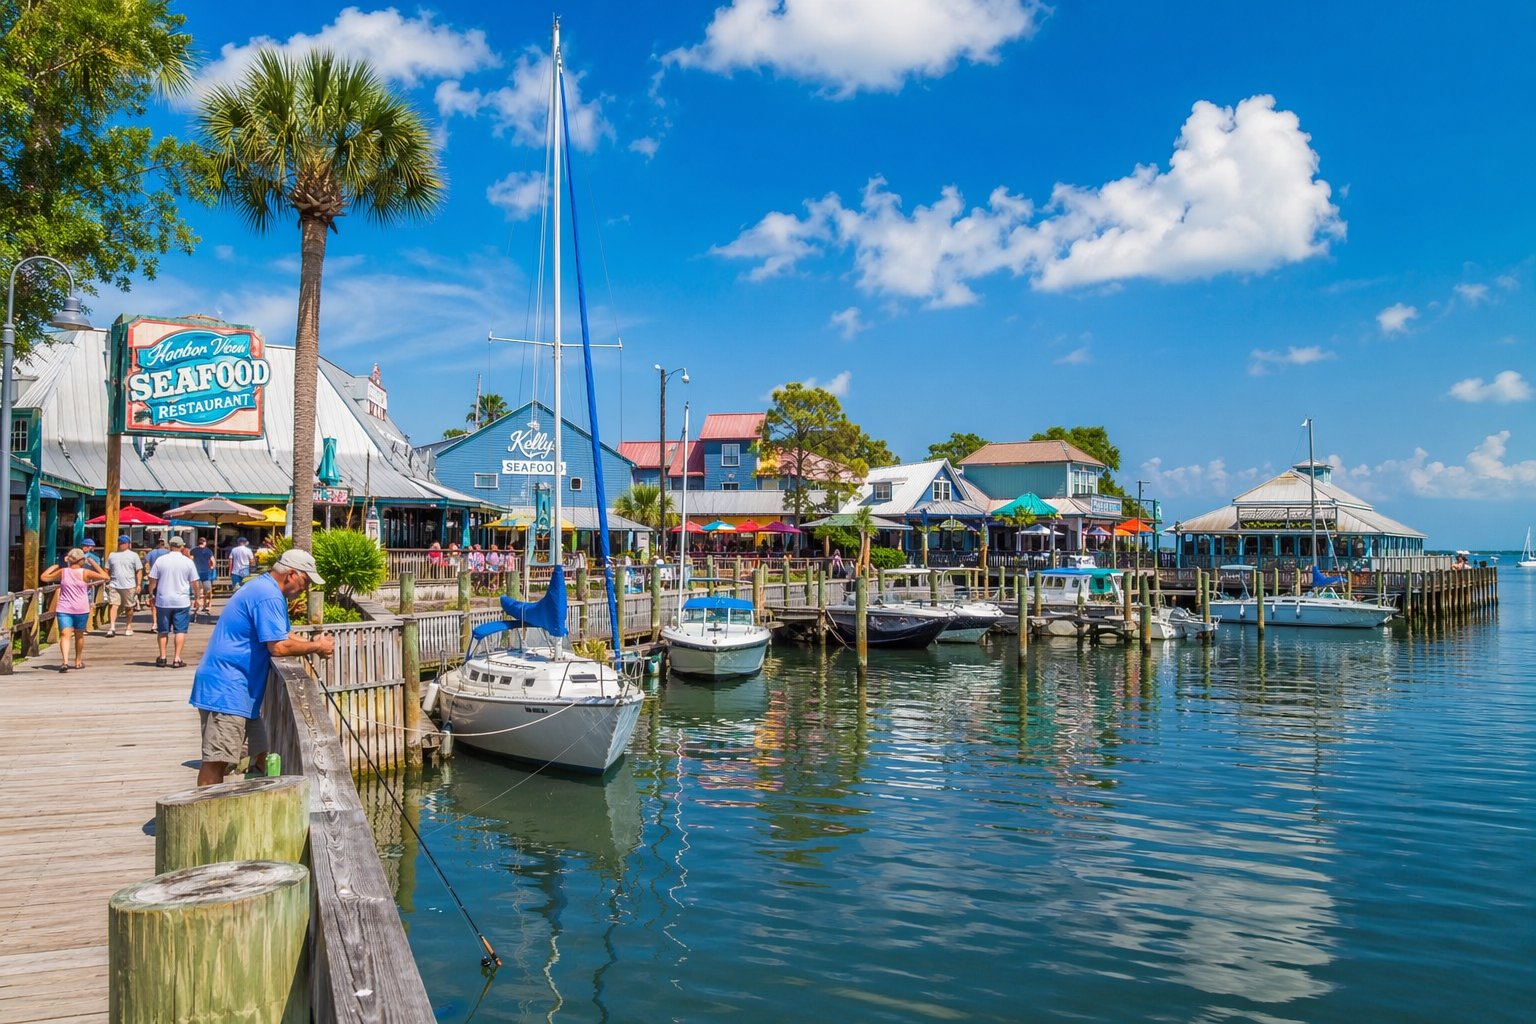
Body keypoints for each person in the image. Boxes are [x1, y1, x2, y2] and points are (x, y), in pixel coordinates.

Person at [190, 549, 334, 785]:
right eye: (305, 581)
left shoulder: (265, 588)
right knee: (217, 762)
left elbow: (283, 634)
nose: (306, 588)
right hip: (227, 688)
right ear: (291, 574)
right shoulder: (268, 595)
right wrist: (316, 648)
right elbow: (277, 646)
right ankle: (205, 817)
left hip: (240, 691)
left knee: (263, 755)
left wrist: (314, 643)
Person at [40, 548, 110, 670]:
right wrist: (93, 563)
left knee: (65, 635)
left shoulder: (63, 571)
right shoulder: (86, 572)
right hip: (81, 609)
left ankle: (65, 662)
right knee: (79, 635)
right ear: (81, 560)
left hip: (64, 608)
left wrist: (55, 566)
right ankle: (77, 660)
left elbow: (44, 577)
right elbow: (105, 577)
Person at [149, 536, 199, 667]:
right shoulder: (188, 562)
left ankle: (162, 657)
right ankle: (177, 658)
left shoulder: (161, 560)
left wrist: (150, 594)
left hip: (163, 600)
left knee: (163, 630)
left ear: (169, 546)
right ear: (182, 546)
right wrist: (198, 598)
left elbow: (152, 580)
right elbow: (194, 582)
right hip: (181, 601)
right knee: (180, 631)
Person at [105, 534, 143, 637]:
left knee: (129, 607)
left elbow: (139, 570)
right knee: (113, 604)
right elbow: (107, 569)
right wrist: (107, 581)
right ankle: (112, 627)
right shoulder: (112, 555)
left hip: (129, 585)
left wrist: (138, 584)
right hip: (114, 584)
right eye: (121, 542)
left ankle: (129, 626)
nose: (122, 544)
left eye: (124, 543)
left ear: (128, 544)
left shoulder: (134, 555)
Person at [190, 536, 217, 617]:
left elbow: (191, 559)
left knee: (199, 591)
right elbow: (213, 561)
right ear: (205, 543)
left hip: (196, 573)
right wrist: (212, 568)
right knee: (208, 591)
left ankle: (199, 605)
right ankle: (207, 606)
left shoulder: (193, 550)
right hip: (207, 573)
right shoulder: (208, 551)